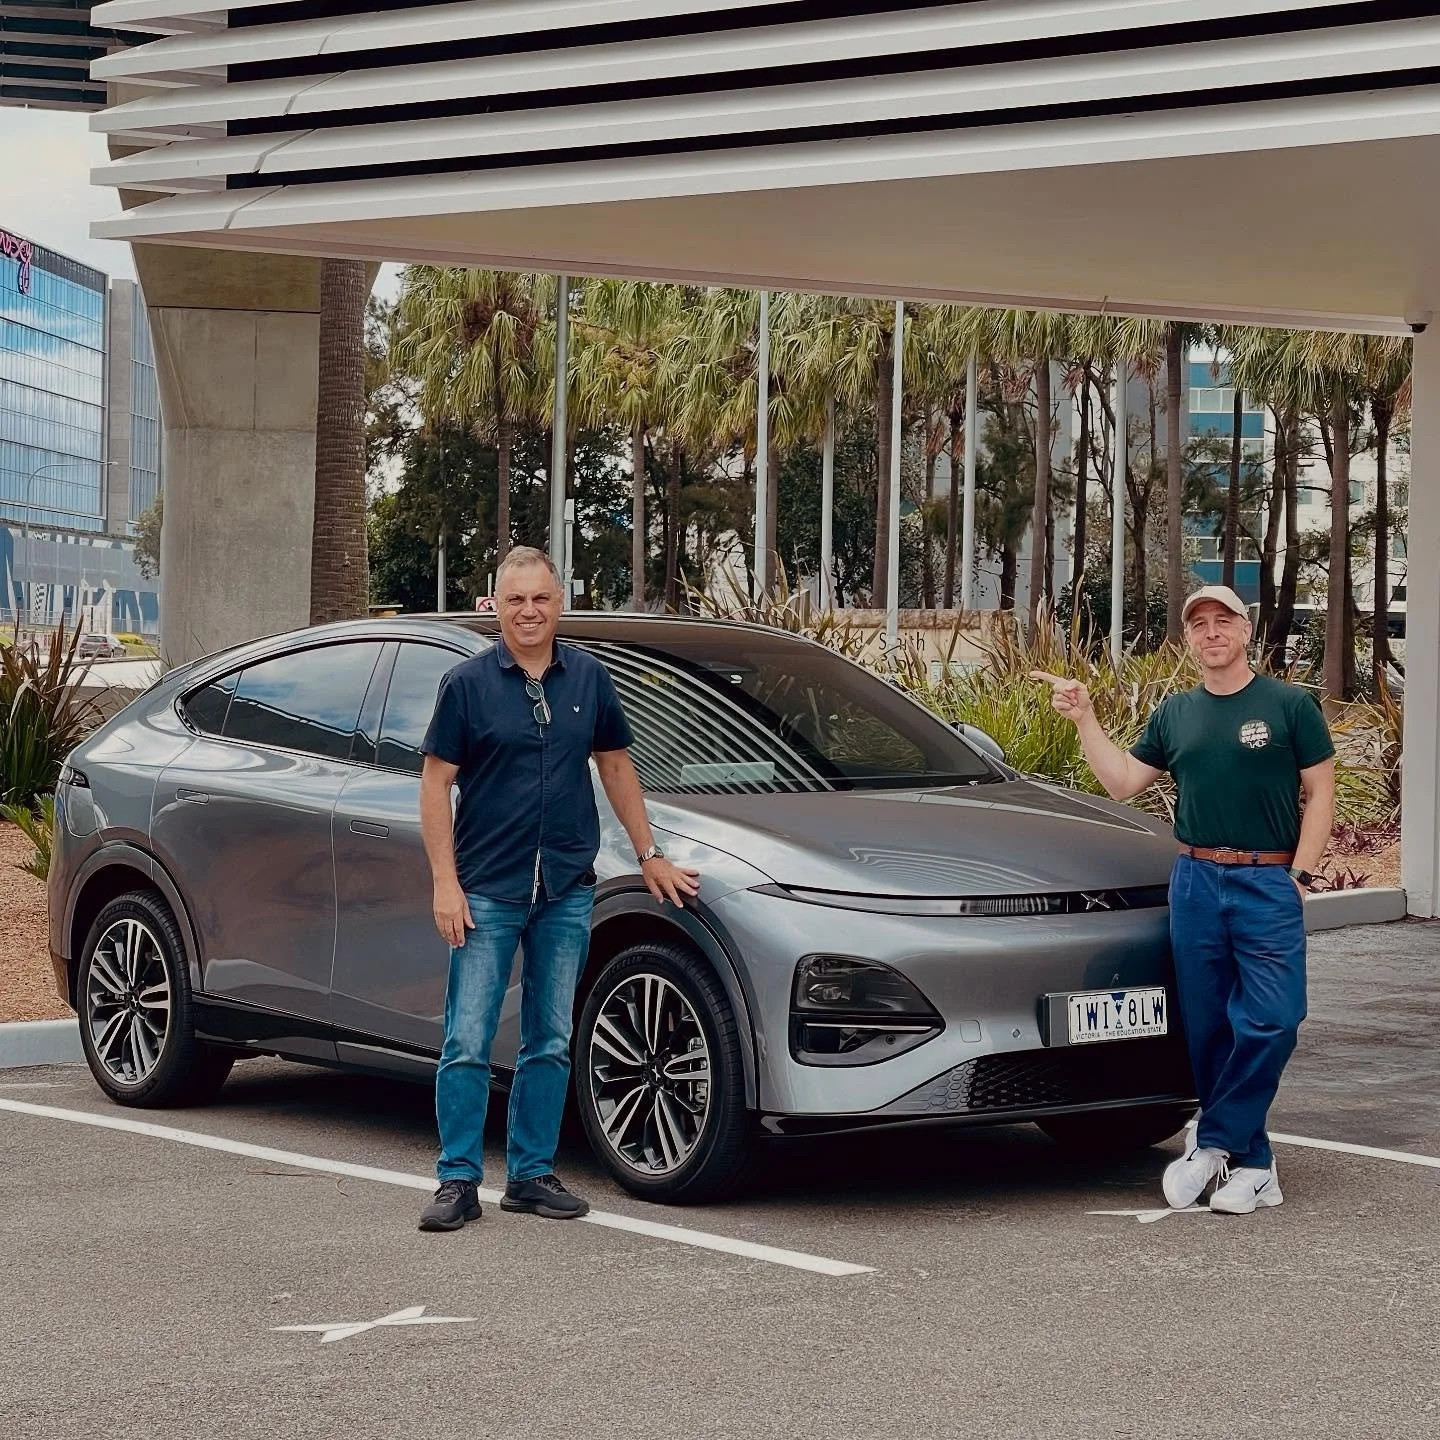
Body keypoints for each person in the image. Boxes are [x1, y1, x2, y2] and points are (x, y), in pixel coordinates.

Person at [416, 546, 700, 1232]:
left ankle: (532, 1174)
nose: (529, 612)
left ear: (558, 602)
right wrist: (445, 884)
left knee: (549, 1038)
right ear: (496, 606)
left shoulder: (590, 679)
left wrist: (649, 853)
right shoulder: (467, 685)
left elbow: (615, 765)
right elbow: (434, 785)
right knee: (468, 1039)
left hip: (567, 889)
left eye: (540, 599)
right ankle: (457, 1181)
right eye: (515, 600)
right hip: (487, 888)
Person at [1034, 584, 1335, 1215]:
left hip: (1266, 880)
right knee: (1208, 1027)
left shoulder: (1289, 705)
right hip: (1196, 880)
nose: (1210, 632)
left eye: (1223, 621)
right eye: (1198, 624)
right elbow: (1121, 784)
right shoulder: (1176, 714)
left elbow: (1321, 794)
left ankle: (1213, 1139)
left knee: (1276, 1018)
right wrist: (1085, 718)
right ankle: (1254, 1166)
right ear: (1189, 638)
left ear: (1247, 631)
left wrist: (1301, 876)